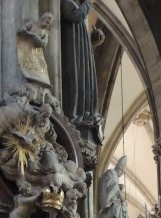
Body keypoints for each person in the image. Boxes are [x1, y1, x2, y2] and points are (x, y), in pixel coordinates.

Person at [60, 0, 103, 138]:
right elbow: (74, 16)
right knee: (76, 83)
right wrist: (88, 4)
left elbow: (80, 42)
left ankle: (83, 115)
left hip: (81, 57)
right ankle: (73, 116)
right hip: (72, 57)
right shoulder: (67, 2)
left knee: (84, 84)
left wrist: (92, 42)